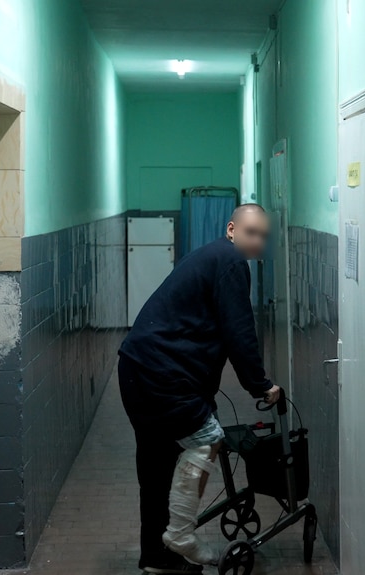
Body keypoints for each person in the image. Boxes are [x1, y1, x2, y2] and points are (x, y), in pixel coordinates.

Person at [118, 203, 281, 574]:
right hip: (161, 376)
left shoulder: (212, 255)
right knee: (208, 438)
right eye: (251, 232)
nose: (257, 241)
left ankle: (158, 557)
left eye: (263, 235)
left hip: (137, 367)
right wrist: (261, 386)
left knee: (157, 466)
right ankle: (179, 535)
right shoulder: (230, 261)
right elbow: (239, 332)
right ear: (231, 230)